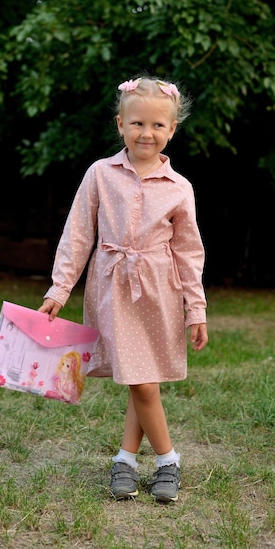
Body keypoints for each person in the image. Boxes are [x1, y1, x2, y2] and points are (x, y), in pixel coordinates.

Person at [39, 75, 208, 503]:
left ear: (171, 130)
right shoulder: (101, 174)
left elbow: (189, 252)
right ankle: (141, 460)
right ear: (120, 124)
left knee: (143, 381)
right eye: (136, 124)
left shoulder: (179, 188)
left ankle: (151, 460)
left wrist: (196, 309)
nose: (145, 133)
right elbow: (78, 234)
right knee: (140, 379)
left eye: (156, 125)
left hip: (158, 292)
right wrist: (60, 290)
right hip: (113, 286)